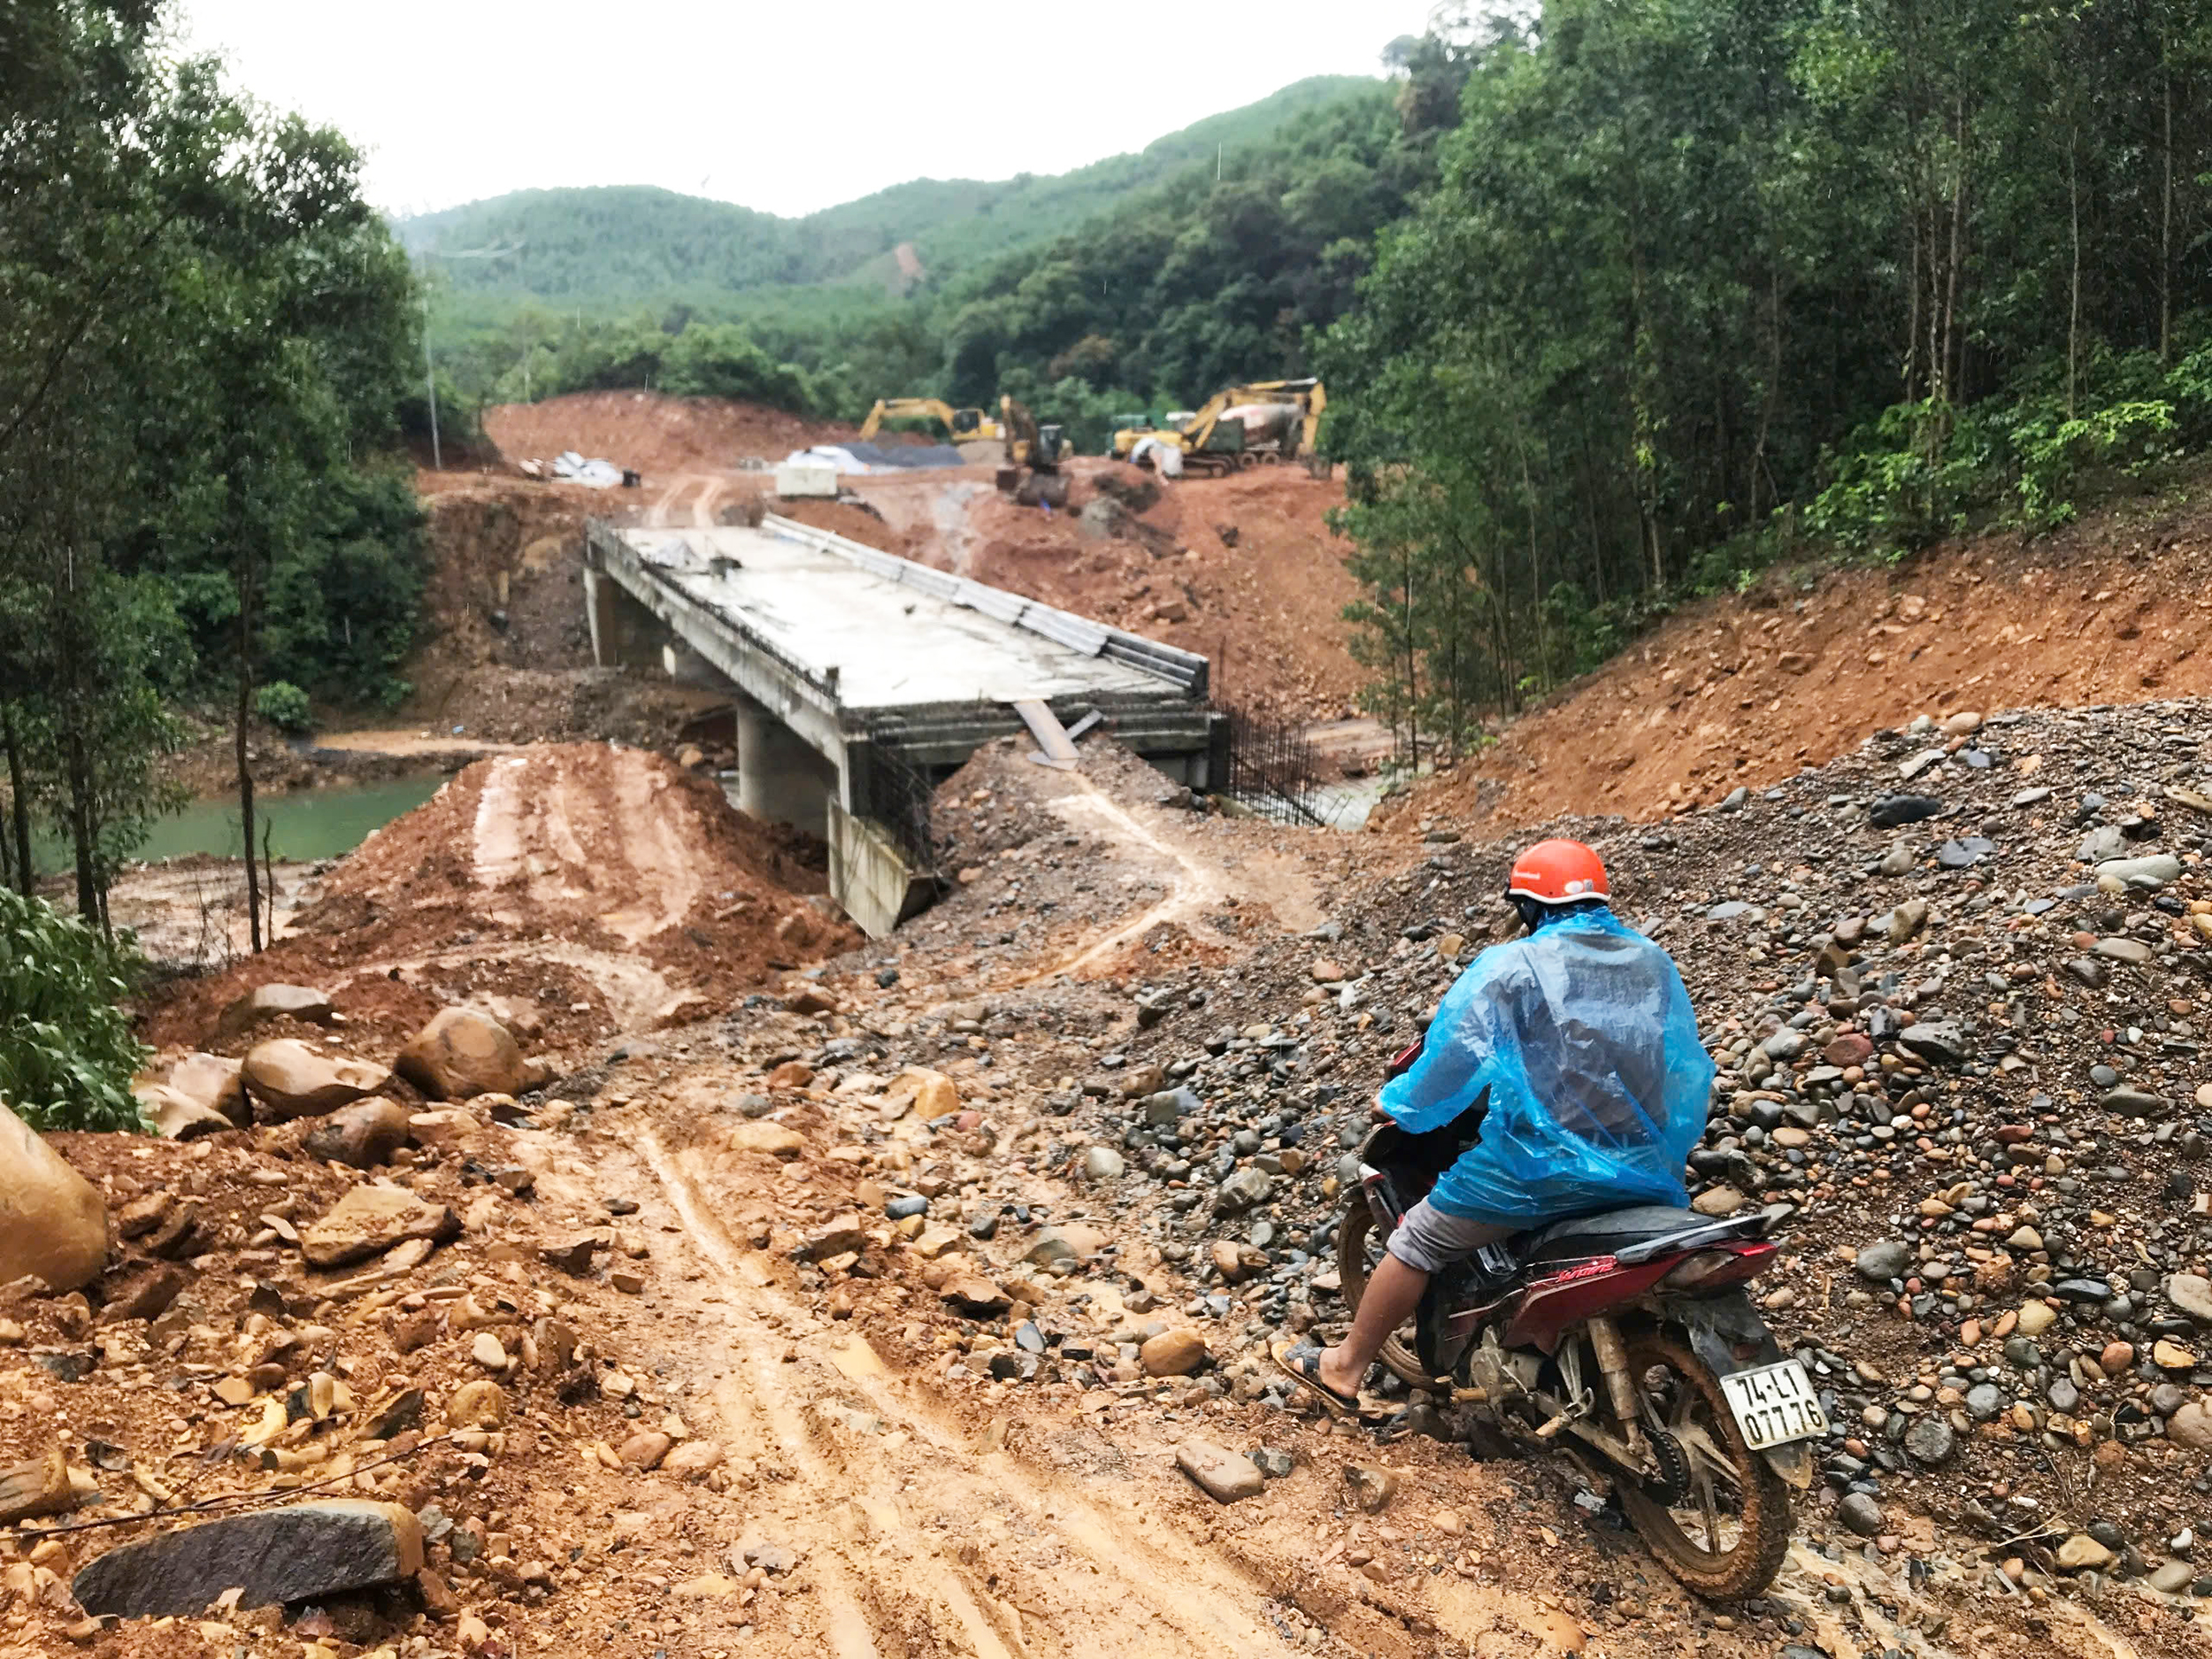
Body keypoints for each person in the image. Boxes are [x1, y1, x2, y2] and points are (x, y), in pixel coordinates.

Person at [1278, 837, 1714, 1409]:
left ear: (1528, 906)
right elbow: (1682, 1066)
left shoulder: (1514, 966)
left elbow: (1454, 1057)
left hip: (1536, 1172)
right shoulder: (1651, 962)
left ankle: (1342, 1368)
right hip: (1645, 1167)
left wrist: (1401, 1104)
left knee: (1420, 1238)